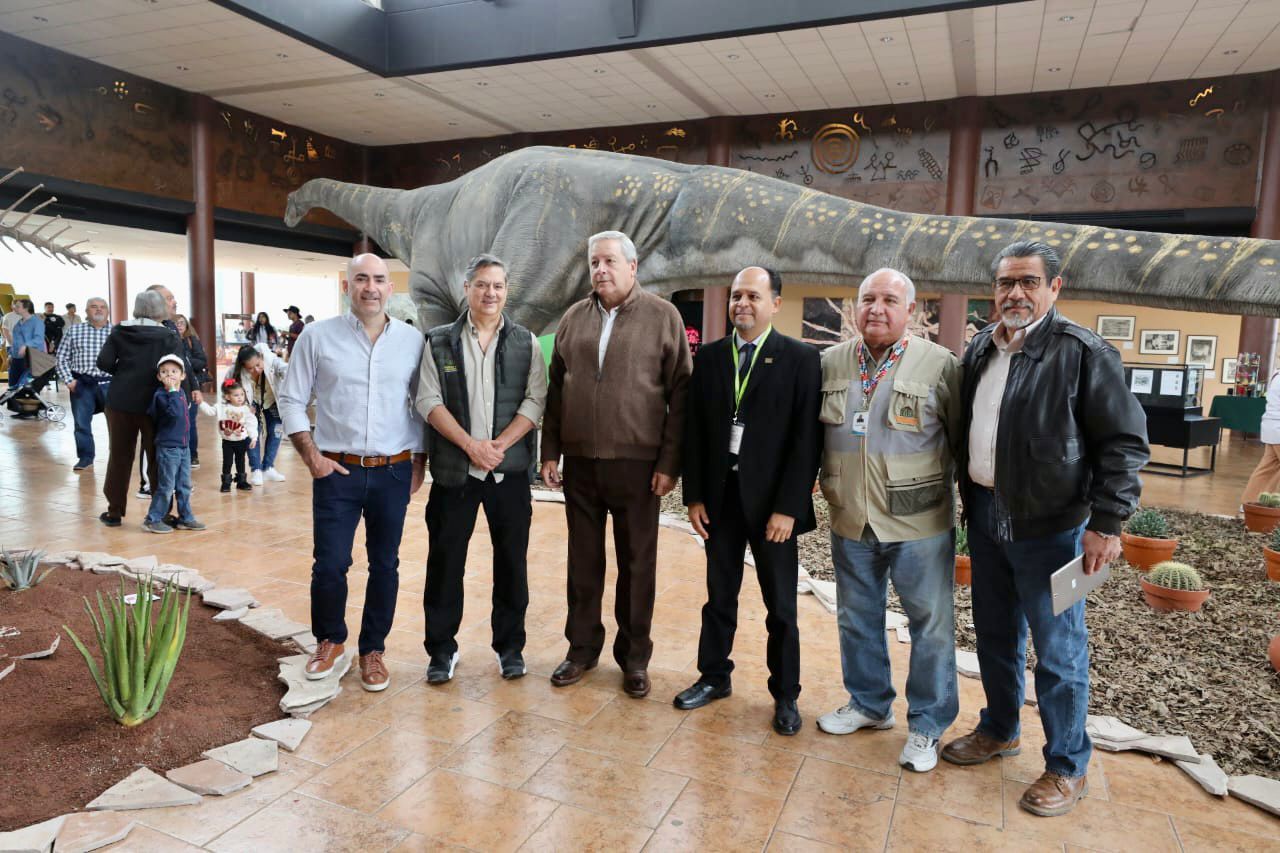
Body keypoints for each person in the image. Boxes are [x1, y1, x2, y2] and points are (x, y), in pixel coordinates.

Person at [944, 241, 1149, 817]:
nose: (1015, 293)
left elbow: (1124, 443)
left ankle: (1067, 765)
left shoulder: (1084, 352)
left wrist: (1107, 523)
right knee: (994, 635)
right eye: (1006, 282)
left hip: (1055, 530)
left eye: (1029, 282)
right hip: (987, 519)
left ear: (1055, 287)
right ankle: (1000, 729)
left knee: (1059, 652)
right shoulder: (981, 348)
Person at [812, 268, 961, 773]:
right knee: (856, 617)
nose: (877, 309)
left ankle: (928, 724)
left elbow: (960, 441)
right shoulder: (831, 362)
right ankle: (869, 704)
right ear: (856, 306)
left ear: (911, 310)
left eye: (890, 300)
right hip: (851, 518)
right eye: (868, 299)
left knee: (930, 625)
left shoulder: (940, 365)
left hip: (920, 524)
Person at [540, 230, 692, 698]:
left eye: (609, 261)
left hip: (638, 468)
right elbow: (556, 388)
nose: (600, 270)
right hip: (581, 466)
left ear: (632, 267)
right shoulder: (573, 318)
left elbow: (681, 394)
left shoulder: (663, 316)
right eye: (594, 262)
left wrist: (669, 463)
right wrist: (550, 451)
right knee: (583, 564)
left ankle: (634, 658)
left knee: (637, 566)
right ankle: (581, 650)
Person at [674, 267, 820, 735]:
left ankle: (786, 694)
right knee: (719, 596)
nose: (742, 304)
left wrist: (789, 508)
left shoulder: (800, 358)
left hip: (773, 507)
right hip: (720, 501)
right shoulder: (712, 356)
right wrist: (694, 496)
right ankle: (714, 676)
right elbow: (695, 431)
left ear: (775, 303)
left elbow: (807, 441)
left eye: (753, 296)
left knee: (781, 607)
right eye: (737, 295)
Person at [277, 253, 427, 694]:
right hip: (336, 470)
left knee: (385, 564)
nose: (370, 287)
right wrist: (312, 457)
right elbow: (291, 398)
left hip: (393, 470)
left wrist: (419, 461)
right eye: (361, 279)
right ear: (347, 287)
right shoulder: (317, 336)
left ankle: (373, 650)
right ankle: (330, 641)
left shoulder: (412, 341)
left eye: (379, 279)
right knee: (330, 564)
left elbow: (422, 404)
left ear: (390, 288)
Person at [415, 254, 547, 683]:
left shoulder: (526, 342)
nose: (490, 293)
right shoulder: (438, 341)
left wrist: (498, 446)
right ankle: (441, 650)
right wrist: (471, 446)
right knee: (445, 563)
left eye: (498, 286)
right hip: (456, 473)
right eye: (482, 285)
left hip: (508, 474)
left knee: (512, 563)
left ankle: (510, 648)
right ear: (467, 289)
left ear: (507, 291)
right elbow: (428, 400)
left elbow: (535, 400)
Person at [96, 291, 190, 527]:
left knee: (119, 455)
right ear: (161, 309)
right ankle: (162, 513)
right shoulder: (169, 336)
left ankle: (114, 511)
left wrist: (125, 372)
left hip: (120, 402)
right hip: (155, 404)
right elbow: (178, 369)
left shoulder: (119, 330)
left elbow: (104, 362)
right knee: (157, 458)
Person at [142, 354, 206, 534]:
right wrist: (172, 391)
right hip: (168, 448)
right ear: (159, 377)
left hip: (183, 447)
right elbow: (175, 414)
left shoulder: (181, 393)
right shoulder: (161, 395)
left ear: (183, 375)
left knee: (184, 485)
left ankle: (185, 517)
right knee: (166, 486)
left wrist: (175, 393)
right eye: (164, 372)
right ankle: (152, 519)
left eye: (174, 371)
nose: (169, 375)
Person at [56, 296, 113, 471]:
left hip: (110, 385)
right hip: (82, 384)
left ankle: (118, 456)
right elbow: (61, 358)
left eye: (102, 307)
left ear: (108, 311)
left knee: (117, 424)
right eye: (94, 307)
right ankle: (85, 458)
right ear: (87, 311)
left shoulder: (117, 332)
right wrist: (69, 380)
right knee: (81, 424)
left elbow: (127, 360)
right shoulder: (74, 331)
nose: (99, 309)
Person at [228, 343, 288, 485]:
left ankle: (268, 467)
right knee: (253, 433)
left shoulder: (272, 360)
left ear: (261, 357)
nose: (256, 370)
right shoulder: (235, 372)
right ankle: (256, 470)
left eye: (258, 365)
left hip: (272, 400)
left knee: (276, 431)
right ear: (243, 366)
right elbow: (227, 388)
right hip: (251, 403)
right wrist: (242, 406)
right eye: (250, 368)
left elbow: (287, 369)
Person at [174, 314, 210, 468]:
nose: (179, 325)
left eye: (182, 322)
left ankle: (192, 455)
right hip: (173, 385)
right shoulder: (168, 340)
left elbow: (202, 361)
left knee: (190, 421)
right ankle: (179, 454)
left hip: (191, 385)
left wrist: (185, 361)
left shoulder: (191, 340)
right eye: (176, 323)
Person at [210, 379, 258, 493]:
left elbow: (251, 424)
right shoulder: (222, 408)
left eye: (242, 394)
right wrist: (201, 402)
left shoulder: (245, 409)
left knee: (240, 461)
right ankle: (226, 483)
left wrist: (254, 438)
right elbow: (210, 411)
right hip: (227, 442)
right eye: (236, 395)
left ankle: (241, 481)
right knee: (227, 462)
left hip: (241, 441)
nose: (240, 397)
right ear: (227, 397)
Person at [1241, 367, 1280, 504]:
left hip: (1272, 427)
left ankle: (1249, 501)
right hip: (1277, 427)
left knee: (1267, 467)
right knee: (1267, 468)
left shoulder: (1277, 375)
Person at [8, 299, 44, 388]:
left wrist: (25, 346)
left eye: (18, 306)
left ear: (26, 308)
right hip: (16, 359)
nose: (14, 308)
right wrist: (11, 354)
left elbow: (39, 339)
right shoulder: (18, 323)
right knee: (12, 386)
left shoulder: (37, 322)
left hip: (30, 359)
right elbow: (16, 340)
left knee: (25, 388)